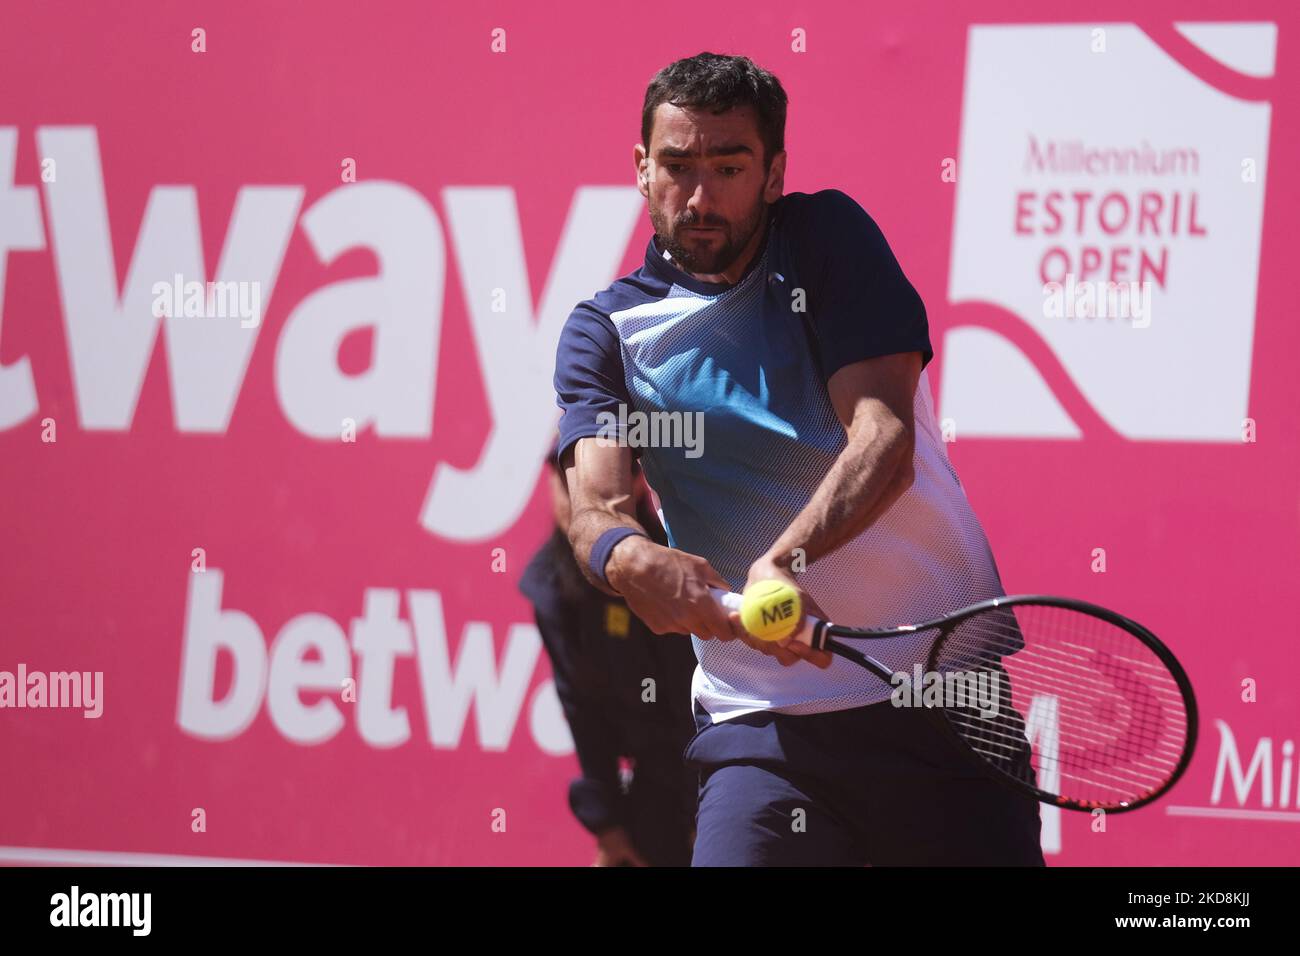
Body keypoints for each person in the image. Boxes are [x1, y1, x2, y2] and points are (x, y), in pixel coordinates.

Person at [552, 52, 1045, 866]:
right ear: (641, 170)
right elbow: (594, 512)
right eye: (676, 166)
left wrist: (786, 560)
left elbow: (884, 440)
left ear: (774, 172)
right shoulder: (606, 333)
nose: (700, 197)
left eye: (730, 166)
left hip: (946, 701)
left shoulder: (826, 241)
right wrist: (631, 556)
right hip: (761, 732)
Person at [518, 443, 697, 866]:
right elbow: (582, 711)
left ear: (634, 482)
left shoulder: (678, 563)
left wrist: (702, 816)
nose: (574, 504)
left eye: (586, 487)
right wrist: (609, 827)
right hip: (653, 785)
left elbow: (693, 706)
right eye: (564, 485)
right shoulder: (550, 592)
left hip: (718, 768)